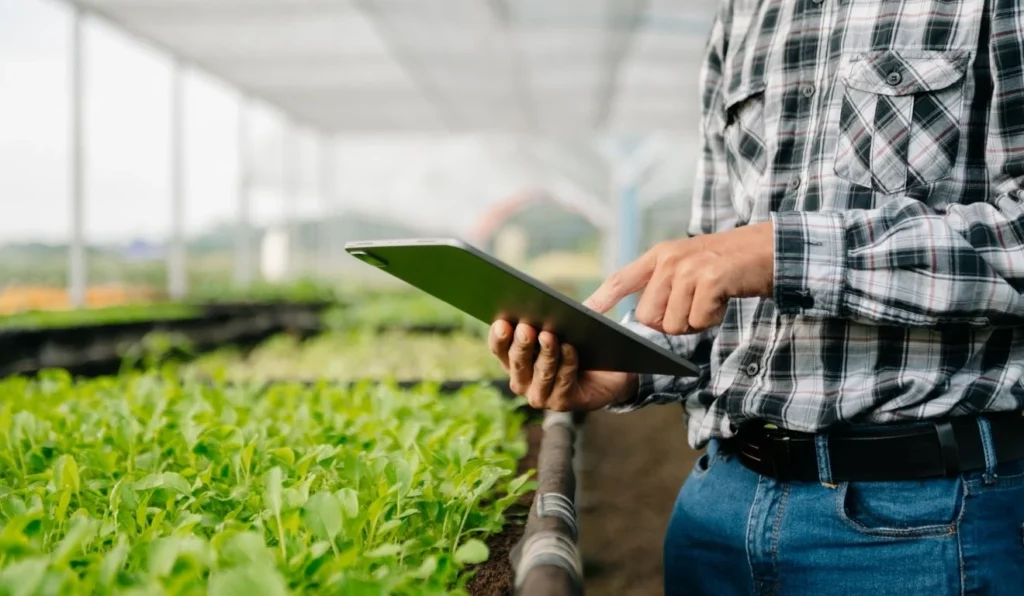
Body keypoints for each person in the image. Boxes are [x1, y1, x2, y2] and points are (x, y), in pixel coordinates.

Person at [488, 0, 1024, 593]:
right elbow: (717, 268)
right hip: (719, 508)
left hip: (922, 521)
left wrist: (783, 253)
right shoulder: (746, 14)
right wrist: (630, 366)